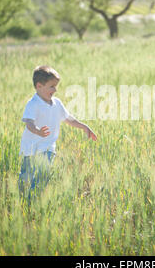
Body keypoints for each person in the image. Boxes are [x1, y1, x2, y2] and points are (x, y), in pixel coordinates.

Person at [19, 65, 97, 200]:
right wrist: (37, 131)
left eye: (56, 86)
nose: (55, 89)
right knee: (26, 176)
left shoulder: (57, 103)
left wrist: (84, 127)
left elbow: (68, 119)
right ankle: (21, 196)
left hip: (48, 147)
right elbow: (29, 123)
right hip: (31, 148)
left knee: (43, 175)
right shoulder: (33, 103)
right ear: (39, 86)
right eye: (52, 86)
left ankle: (32, 199)